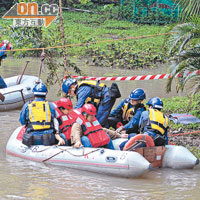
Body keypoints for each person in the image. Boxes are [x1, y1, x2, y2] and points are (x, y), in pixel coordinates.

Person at [19, 82, 65, 146]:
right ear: (45, 95)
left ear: (34, 94)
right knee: (63, 136)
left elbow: (22, 122)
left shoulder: (27, 105)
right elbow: (56, 121)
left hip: (32, 138)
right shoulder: (51, 105)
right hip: (49, 138)